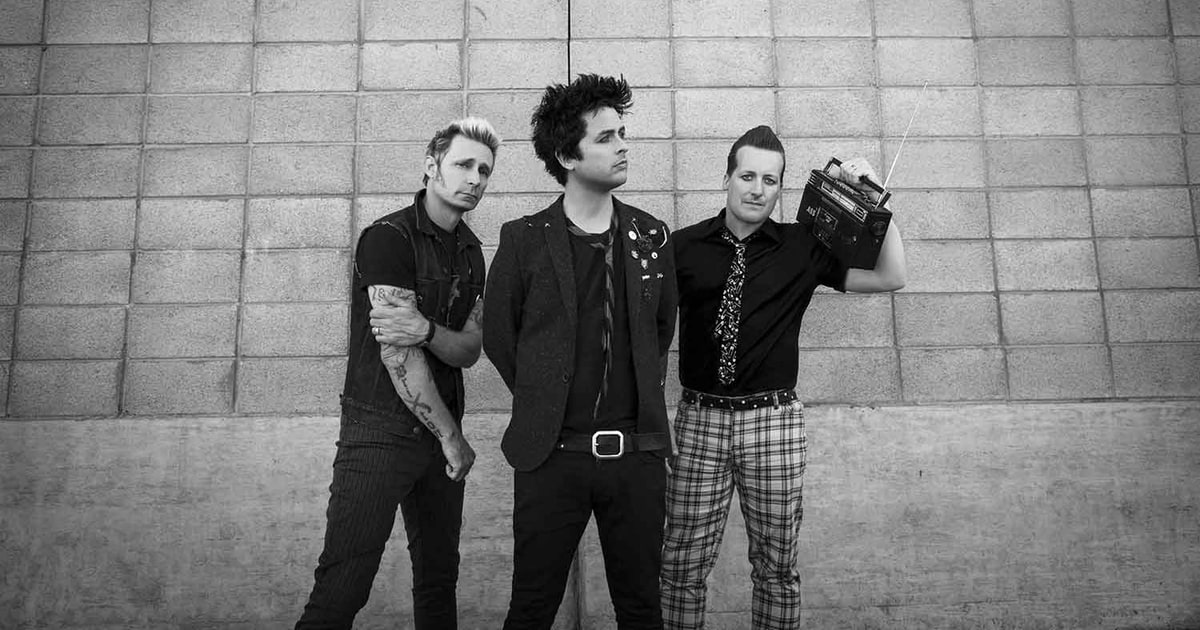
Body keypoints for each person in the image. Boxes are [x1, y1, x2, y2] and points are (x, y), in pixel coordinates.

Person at [660, 125, 907, 629]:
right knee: (680, 567)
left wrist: (876, 201)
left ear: (780, 188)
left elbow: (891, 276)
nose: (757, 189)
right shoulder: (682, 246)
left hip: (772, 424)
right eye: (747, 176)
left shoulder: (803, 246)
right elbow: (649, 330)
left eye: (770, 180)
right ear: (727, 179)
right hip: (699, 422)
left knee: (776, 570)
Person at [482, 74, 678, 629]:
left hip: (636, 460)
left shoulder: (651, 235)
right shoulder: (523, 238)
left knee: (642, 610)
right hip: (551, 457)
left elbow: (660, 331)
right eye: (606, 138)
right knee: (531, 608)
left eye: (623, 134)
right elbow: (499, 336)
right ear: (568, 155)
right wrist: (543, 391)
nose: (622, 146)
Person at [296, 117, 501, 630]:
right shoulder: (388, 238)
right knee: (342, 588)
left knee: (438, 582)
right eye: (463, 164)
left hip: (440, 436)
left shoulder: (473, 252)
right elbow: (397, 356)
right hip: (379, 433)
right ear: (431, 166)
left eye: (484, 170)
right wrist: (453, 439)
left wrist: (426, 330)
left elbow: (470, 350)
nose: (474, 178)